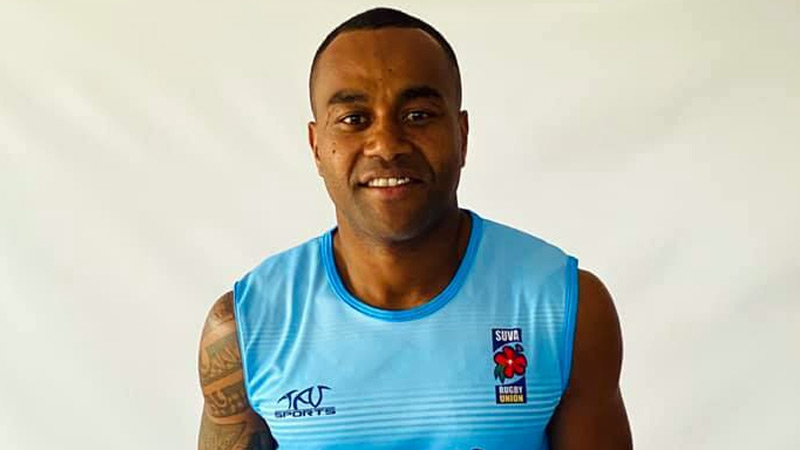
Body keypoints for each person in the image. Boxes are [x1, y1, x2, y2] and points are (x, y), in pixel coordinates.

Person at [197, 7, 632, 450]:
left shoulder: (565, 308)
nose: (387, 146)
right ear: (316, 147)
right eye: (354, 119)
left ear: (462, 134)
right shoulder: (245, 328)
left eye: (418, 115)